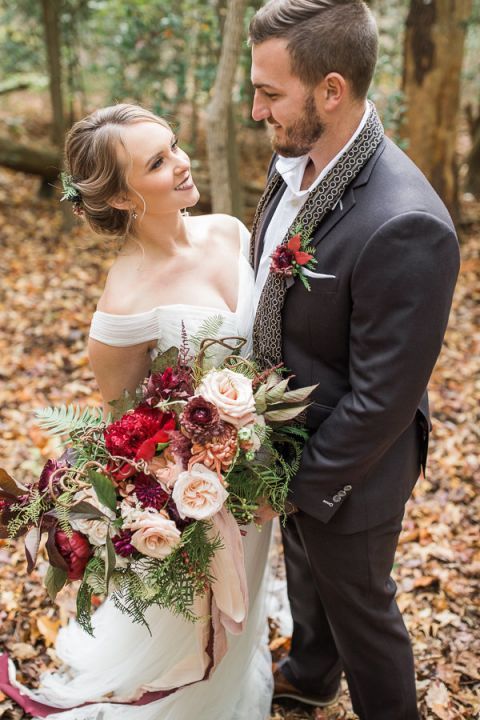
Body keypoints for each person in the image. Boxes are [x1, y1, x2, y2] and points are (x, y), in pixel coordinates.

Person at [1, 104, 273, 720]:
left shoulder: (230, 230)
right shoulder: (124, 303)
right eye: (156, 163)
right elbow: (128, 440)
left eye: (173, 146)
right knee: (196, 640)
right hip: (206, 501)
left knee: (250, 602)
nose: (181, 164)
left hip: (261, 473)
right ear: (122, 198)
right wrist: (199, 475)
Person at [248, 1, 460, 719]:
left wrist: (299, 486)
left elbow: (382, 401)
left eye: (270, 93)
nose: (255, 111)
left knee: (363, 611)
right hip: (289, 442)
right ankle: (310, 674)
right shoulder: (295, 156)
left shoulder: (406, 223)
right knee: (307, 578)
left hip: (354, 467)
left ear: (331, 91)